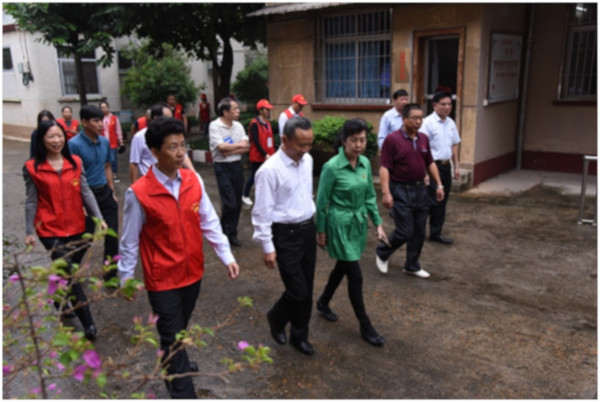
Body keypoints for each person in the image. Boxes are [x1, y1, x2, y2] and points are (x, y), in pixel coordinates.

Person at [118, 116, 240, 399]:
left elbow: (209, 221)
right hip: (162, 279)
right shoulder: (139, 193)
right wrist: (125, 278)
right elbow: (129, 241)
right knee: (173, 337)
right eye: (172, 147)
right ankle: (183, 390)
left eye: (183, 146)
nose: (180, 152)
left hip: (193, 272)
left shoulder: (193, 180)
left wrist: (226, 255)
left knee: (177, 330)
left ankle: (172, 362)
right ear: (154, 151)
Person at [24, 119, 107, 341]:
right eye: (51, 136)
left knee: (67, 269)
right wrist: (29, 231)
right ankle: (88, 324)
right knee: (70, 272)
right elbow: (31, 201)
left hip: (78, 226)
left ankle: (57, 294)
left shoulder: (75, 162)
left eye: (59, 135)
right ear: (42, 139)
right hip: (49, 229)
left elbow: (85, 192)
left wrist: (99, 218)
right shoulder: (33, 167)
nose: (56, 140)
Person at [314, 118, 387, 346]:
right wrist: (321, 230)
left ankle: (323, 301)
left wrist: (378, 224)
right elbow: (322, 202)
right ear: (344, 140)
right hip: (338, 224)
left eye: (362, 140)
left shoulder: (364, 163)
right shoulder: (332, 167)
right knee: (355, 274)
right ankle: (365, 325)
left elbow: (369, 197)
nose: (358, 145)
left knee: (343, 266)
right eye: (354, 140)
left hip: (357, 224)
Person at [252, 116, 317, 356]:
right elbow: (261, 212)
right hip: (285, 235)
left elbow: (305, 194)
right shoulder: (269, 170)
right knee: (297, 290)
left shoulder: (307, 160)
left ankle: (299, 336)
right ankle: (277, 317)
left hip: (307, 230)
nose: (305, 149)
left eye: (309, 144)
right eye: (301, 145)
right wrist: (267, 246)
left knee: (307, 289)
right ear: (284, 139)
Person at [375, 103, 444, 279]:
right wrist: (386, 192)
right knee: (405, 230)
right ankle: (382, 252)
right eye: (414, 118)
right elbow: (384, 167)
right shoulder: (392, 139)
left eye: (421, 118)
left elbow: (430, 162)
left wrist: (439, 184)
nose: (418, 121)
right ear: (404, 119)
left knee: (419, 231)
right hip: (400, 189)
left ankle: (412, 265)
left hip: (420, 189)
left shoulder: (423, 139)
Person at [68, 105, 119, 282]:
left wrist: (111, 190)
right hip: (86, 198)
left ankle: (110, 276)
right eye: (96, 121)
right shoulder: (74, 145)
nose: (100, 124)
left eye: (101, 120)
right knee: (86, 240)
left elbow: (107, 166)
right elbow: (71, 176)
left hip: (105, 193)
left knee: (112, 236)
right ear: (84, 122)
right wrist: (78, 203)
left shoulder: (104, 142)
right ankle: (69, 274)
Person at [420, 91, 461, 245]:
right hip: (432, 166)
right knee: (430, 201)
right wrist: (424, 172)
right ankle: (417, 231)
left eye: (449, 104)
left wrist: (456, 166)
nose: (447, 107)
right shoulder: (427, 123)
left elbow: (454, 145)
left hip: (445, 166)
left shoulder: (451, 123)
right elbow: (422, 149)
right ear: (434, 105)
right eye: (443, 104)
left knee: (442, 201)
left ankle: (436, 233)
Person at [209, 97, 249, 247]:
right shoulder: (215, 126)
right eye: (235, 108)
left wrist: (230, 149)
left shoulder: (238, 126)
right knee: (229, 202)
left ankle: (232, 232)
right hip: (222, 167)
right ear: (225, 112)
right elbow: (221, 148)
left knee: (237, 202)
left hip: (236, 166)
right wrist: (237, 146)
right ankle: (222, 229)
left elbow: (246, 147)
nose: (238, 111)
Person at [129, 103, 196, 183]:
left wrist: (195, 176)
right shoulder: (139, 137)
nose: (171, 121)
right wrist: (135, 185)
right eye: (167, 118)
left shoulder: (175, 136)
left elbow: (184, 156)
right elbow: (134, 163)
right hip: (150, 182)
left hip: (173, 180)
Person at [242, 99, 275, 206]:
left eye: (269, 109)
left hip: (268, 155)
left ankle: (264, 194)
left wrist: (271, 153)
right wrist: (265, 154)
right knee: (254, 176)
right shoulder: (254, 124)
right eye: (267, 109)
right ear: (260, 110)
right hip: (258, 155)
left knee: (266, 176)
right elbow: (256, 142)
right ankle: (245, 195)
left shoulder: (267, 123)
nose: (269, 111)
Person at [99, 101, 124, 182]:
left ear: (108, 108)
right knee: (103, 158)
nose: (104, 109)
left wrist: (121, 141)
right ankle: (104, 174)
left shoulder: (114, 118)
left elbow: (118, 130)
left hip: (112, 142)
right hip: (101, 142)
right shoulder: (99, 119)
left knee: (113, 158)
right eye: (102, 107)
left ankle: (114, 173)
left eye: (105, 107)